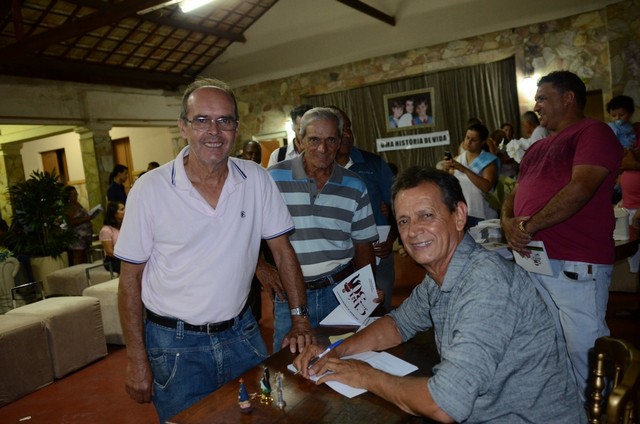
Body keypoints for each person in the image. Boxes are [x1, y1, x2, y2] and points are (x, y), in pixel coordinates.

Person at [294, 167, 585, 423]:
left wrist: (363, 375)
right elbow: (398, 324)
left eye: (426, 216)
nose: (413, 231)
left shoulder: (488, 284)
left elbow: (444, 404)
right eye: (404, 221)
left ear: (459, 216)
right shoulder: (442, 272)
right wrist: (336, 351)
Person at [115, 78, 313, 422]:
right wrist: (136, 359)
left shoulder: (256, 179)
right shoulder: (150, 190)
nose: (214, 131)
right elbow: (130, 279)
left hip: (242, 334)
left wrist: (300, 318)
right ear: (183, 127)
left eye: (225, 120)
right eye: (202, 120)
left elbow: (282, 251)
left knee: (263, 417)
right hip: (175, 346)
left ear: (236, 128)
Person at [501, 70, 623, 401]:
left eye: (542, 97)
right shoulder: (538, 146)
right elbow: (513, 193)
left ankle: (599, 414)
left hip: (575, 262)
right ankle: (569, 411)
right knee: (551, 346)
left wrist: (528, 226)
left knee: (586, 350)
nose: (536, 105)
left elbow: (581, 188)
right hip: (536, 261)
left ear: (568, 98)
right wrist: (508, 221)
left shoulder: (593, 131)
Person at [264, 107, 379, 352]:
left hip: (340, 292)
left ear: (340, 142)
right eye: (314, 140)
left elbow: (362, 244)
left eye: (330, 140)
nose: (323, 149)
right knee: (287, 365)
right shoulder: (272, 179)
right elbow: (244, 229)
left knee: (343, 360)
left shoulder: (354, 185)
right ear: (299, 141)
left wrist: (367, 290)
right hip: (290, 296)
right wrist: (260, 267)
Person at [333, 107, 398, 311]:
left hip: (379, 256)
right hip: (337, 264)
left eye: (349, 128)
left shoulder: (373, 163)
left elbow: (397, 205)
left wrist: (391, 239)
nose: (347, 134)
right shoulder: (319, 171)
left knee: (379, 312)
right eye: (341, 129)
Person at [442, 123, 499, 227]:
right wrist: (446, 170)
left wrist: (464, 169)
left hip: (482, 213)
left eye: (474, 140)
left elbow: (486, 187)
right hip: (462, 213)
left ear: (482, 142)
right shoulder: (458, 159)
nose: (468, 142)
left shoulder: (489, 161)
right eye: (467, 138)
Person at [63, 185, 99, 266]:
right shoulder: (68, 208)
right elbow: (71, 222)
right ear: (68, 196)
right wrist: (87, 218)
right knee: (78, 257)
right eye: (73, 194)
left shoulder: (77, 204)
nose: (76, 196)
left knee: (85, 257)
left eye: (76, 194)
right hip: (77, 236)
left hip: (85, 235)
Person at [99, 201, 124, 274]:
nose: (126, 211)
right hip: (113, 260)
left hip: (126, 257)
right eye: (122, 209)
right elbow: (109, 252)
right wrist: (126, 258)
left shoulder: (125, 227)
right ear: (114, 214)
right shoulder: (106, 230)